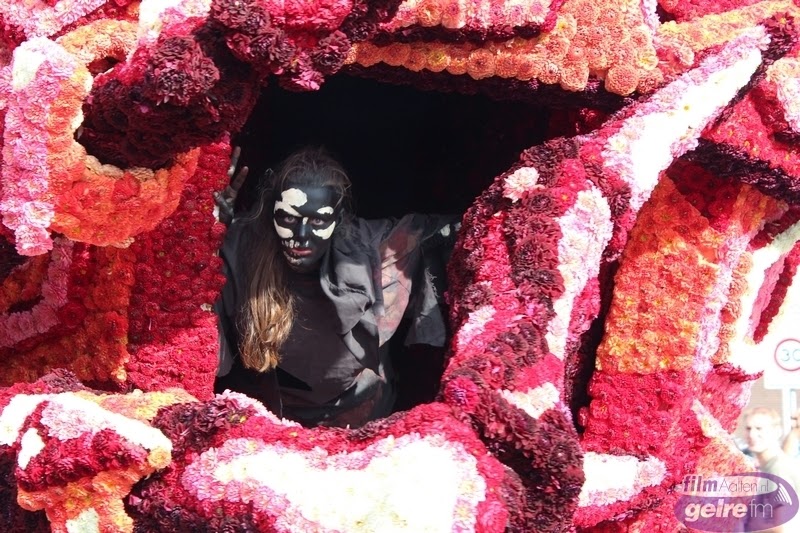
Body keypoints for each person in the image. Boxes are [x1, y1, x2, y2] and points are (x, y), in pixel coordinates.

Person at [213, 146, 460, 428]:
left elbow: (444, 232)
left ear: (338, 218)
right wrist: (212, 230)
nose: (301, 236)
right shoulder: (244, 247)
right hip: (270, 414)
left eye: (318, 220)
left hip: (361, 413)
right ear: (272, 214)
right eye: (288, 218)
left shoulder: (368, 246)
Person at [743, 407, 800, 532]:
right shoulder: (767, 467)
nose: (752, 434)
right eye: (748, 428)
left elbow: (780, 528)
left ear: (777, 432)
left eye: (759, 428)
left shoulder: (778, 469)